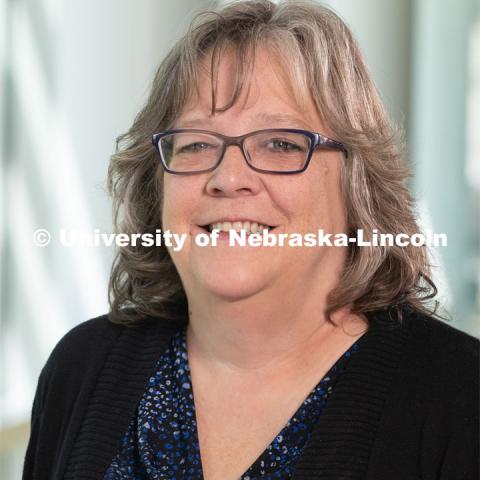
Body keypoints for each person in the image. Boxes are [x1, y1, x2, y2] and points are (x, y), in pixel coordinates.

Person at [23, 1, 479, 479]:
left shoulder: (459, 396)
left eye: (281, 143)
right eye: (197, 143)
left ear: (357, 182)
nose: (228, 177)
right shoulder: (81, 369)